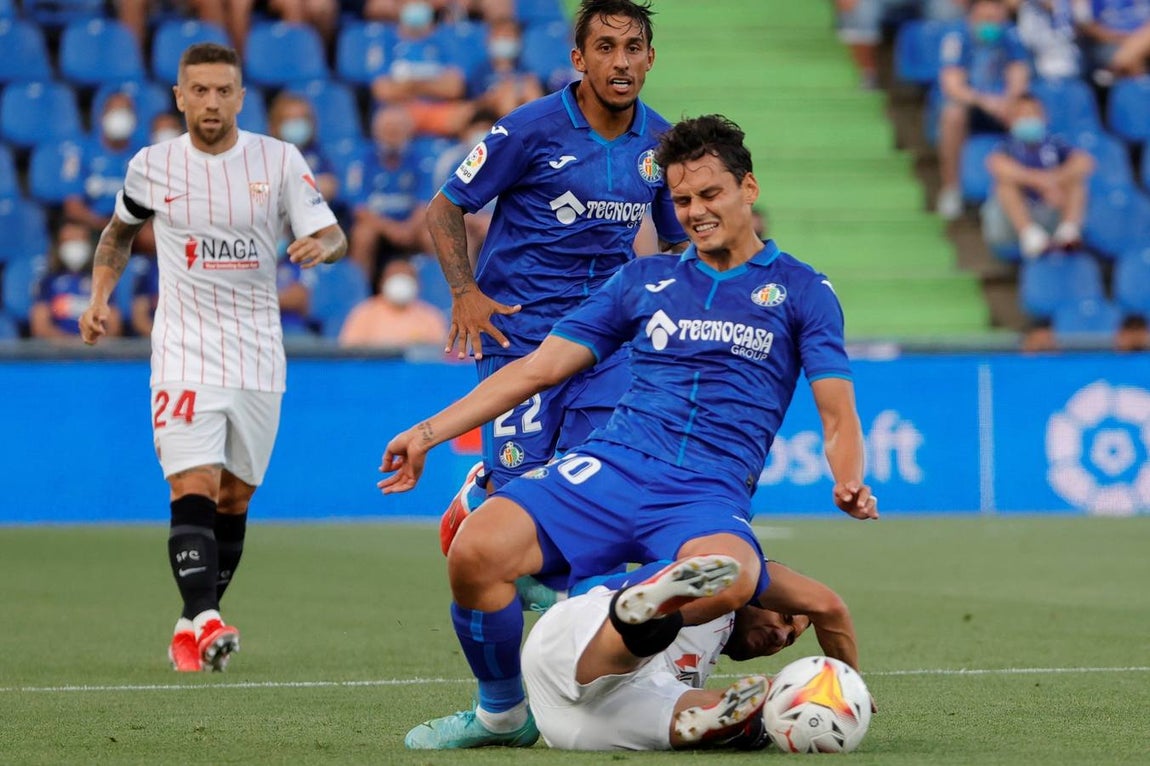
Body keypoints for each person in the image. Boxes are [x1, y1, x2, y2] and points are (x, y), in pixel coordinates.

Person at [380, 114, 877, 749]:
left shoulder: (802, 290)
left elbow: (837, 411)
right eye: (682, 200)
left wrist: (849, 477)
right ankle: (503, 712)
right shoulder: (645, 280)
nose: (696, 212)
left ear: (748, 188)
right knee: (477, 547)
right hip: (613, 465)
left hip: (705, 495)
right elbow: (535, 370)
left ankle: (620, 606)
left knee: (724, 575)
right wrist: (426, 432)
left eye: (710, 194)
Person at [78, 42, 348, 673]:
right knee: (191, 484)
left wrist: (321, 247)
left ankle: (187, 624)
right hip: (183, 350)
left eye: (223, 90)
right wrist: (98, 297)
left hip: (258, 351)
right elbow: (119, 233)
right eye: (198, 90)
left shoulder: (278, 160)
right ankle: (208, 620)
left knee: (234, 500)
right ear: (179, 96)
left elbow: (332, 233)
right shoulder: (152, 166)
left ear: (240, 97)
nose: (211, 102)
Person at [428, 0, 689, 534]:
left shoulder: (662, 144)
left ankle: (574, 605)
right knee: (517, 492)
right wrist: (464, 292)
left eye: (633, 48)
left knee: (589, 482)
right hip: (520, 335)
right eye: (606, 48)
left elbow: (674, 242)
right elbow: (445, 206)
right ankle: (482, 495)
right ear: (579, 58)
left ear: (651, 59)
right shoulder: (530, 128)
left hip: (604, 339)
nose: (621, 62)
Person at [521, 555, 862, 751]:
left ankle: (715, 720)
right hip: (577, 639)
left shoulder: (708, 648)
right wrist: (849, 685)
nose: (780, 636)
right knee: (650, 635)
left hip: (570, 725)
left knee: (742, 722)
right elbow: (824, 604)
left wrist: (783, 706)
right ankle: (650, 612)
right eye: (785, 618)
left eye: (789, 640)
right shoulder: (727, 582)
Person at [936, 0, 1030, 220]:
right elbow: (952, 85)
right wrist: (983, 101)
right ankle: (951, 188)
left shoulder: (1010, 35)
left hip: (1002, 104)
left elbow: (1019, 73)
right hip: (972, 104)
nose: (991, 21)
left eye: (996, 16)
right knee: (953, 114)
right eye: (985, 17)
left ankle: (1021, 190)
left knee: (1025, 112)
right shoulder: (956, 36)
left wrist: (1009, 100)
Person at [981, 93, 1094, 259]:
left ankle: (1068, 232)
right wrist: (1041, 182)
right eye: (1022, 115)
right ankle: (1029, 235)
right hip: (1019, 215)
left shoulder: (1055, 143)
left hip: (1053, 207)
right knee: (1004, 185)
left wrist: (1057, 179)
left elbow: (1084, 162)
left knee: (1076, 182)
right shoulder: (1006, 146)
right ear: (1011, 120)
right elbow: (997, 165)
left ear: (1043, 117)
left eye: (1032, 114)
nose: (1028, 119)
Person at [32, 221, 121, 340]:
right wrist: (70, 346)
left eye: (79, 240)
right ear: (58, 245)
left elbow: (113, 326)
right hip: (58, 353)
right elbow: (41, 327)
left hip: (96, 353)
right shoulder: (47, 282)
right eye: (68, 241)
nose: (74, 246)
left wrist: (92, 345)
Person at [338, 257, 448, 347]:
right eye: (394, 275)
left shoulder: (431, 316)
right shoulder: (364, 313)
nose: (400, 281)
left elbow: (441, 355)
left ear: (418, 284)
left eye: (406, 276)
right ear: (382, 282)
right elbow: (349, 352)